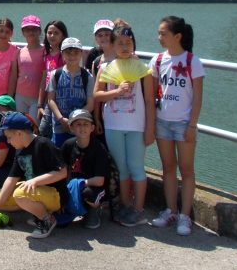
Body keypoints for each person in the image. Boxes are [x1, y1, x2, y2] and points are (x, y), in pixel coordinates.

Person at [148, 16, 205, 237]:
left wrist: (192, 125)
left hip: (184, 123)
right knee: (168, 168)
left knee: (187, 169)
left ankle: (185, 216)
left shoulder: (192, 61)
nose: (159, 37)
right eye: (159, 33)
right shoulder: (157, 61)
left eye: (163, 34)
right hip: (162, 121)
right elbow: (152, 94)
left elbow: (198, 98)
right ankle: (171, 211)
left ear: (177, 36)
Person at [95, 22, 155, 227]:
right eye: (120, 43)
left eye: (128, 43)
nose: (124, 47)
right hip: (113, 125)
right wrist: (117, 91)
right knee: (121, 168)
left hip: (137, 125)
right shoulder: (105, 67)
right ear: (112, 45)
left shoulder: (143, 69)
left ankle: (138, 209)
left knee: (137, 167)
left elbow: (150, 101)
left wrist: (150, 128)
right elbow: (97, 95)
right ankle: (126, 205)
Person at [0, 111, 68, 238]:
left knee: (19, 194)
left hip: (55, 194)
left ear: (19, 133)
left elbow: (62, 173)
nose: (8, 141)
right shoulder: (20, 151)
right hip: (36, 192)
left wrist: (35, 181)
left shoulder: (44, 144)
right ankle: (37, 212)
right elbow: (11, 179)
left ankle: (47, 219)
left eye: (9, 137)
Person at [59, 109, 110, 228]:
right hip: (73, 186)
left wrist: (81, 183)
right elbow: (62, 171)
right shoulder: (68, 145)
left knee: (88, 194)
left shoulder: (99, 148)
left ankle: (94, 210)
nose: (82, 128)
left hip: (93, 187)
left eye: (86, 124)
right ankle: (74, 208)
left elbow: (100, 181)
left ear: (92, 128)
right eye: (78, 124)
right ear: (71, 128)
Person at [45, 37, 94, 148]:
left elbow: (91, 104)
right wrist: (61, 119)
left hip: (80, 127)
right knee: (59, 153)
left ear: (81, 53)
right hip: (59, 126)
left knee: (78, 154)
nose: (72, 56)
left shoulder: (87, 77)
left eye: (76, 52)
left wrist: (74, 120)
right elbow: (51, 100)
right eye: (68, 52)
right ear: (62, 54)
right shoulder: (55, 74)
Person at [36, 20, 68, 137]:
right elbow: (44, 79)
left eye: (56, 33)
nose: (52, 36)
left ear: (63, 35)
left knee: (57, 133)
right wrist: (40, 104)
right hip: (48, 102)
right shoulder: (47, 55)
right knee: (43, 132)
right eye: (49, 33)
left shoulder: (65, 55)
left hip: (61, 101)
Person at [16, 15, 45, 116]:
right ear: (23, 32)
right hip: (20, 96)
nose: (31, 32)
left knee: (34, 124)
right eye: (27, 29)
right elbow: (14, 75)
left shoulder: (45, 51)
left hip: (37, 98)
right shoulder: (19, 51)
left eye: (34, 29)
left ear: (39, 31)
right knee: (20, 124)